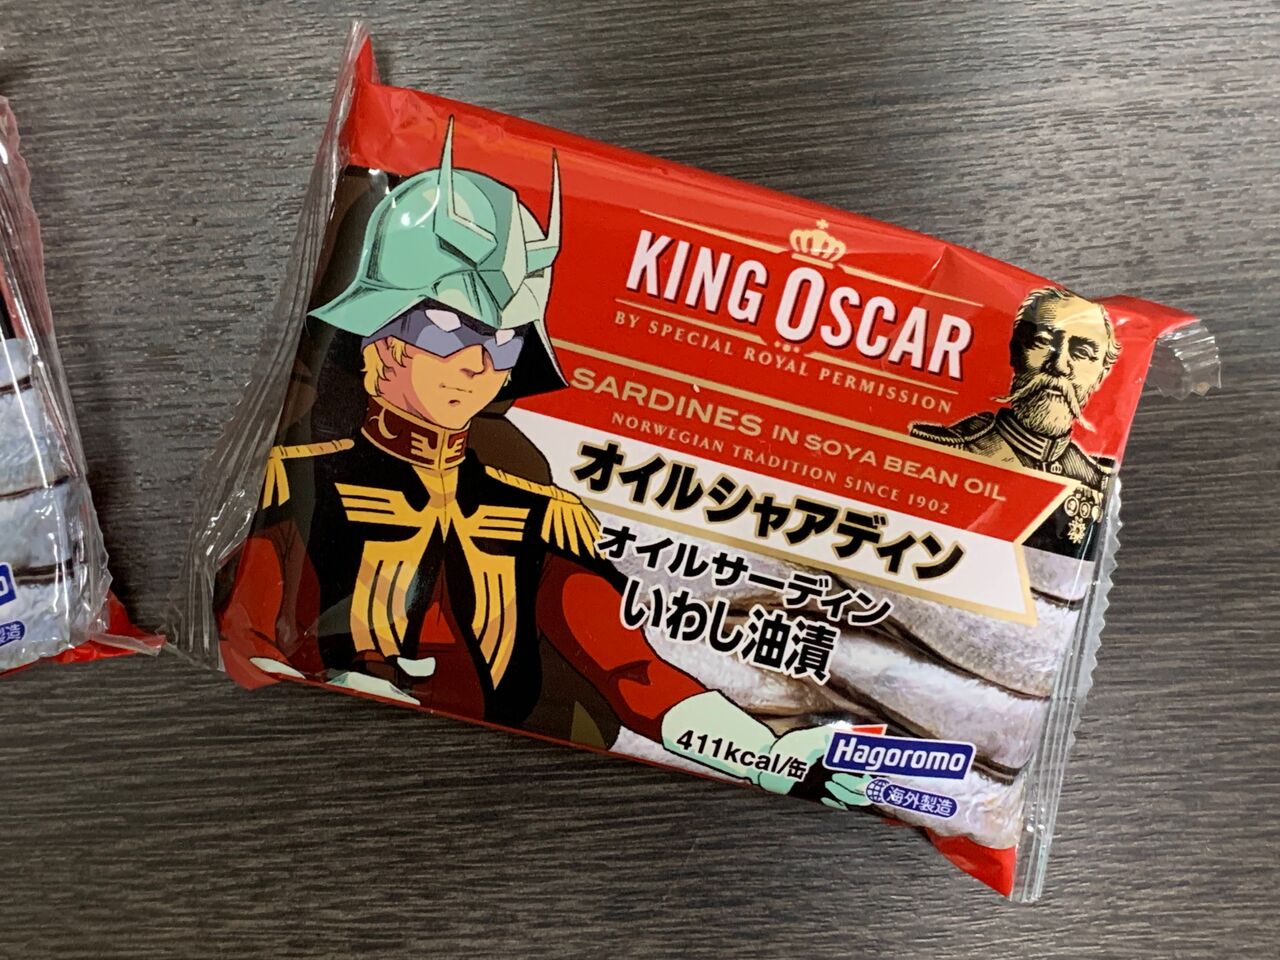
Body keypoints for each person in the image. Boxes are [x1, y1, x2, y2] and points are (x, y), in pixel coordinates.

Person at [218, 120, 869, 809]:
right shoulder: (299, 485)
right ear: (380, 343)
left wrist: (760, 755)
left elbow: (631, 667)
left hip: (526, 791)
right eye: (447, 328)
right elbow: (248, 636)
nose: (477, 362)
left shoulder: (537, 515)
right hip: (319, 766)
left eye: (502, 342)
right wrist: (323, 679)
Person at [910, 287, 1118, 551]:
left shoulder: (1096, 479)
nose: (1058, 365)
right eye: (1043, 342)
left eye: (1082, 353)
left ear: (1101, 374)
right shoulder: (950, 450)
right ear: (1015, 351)